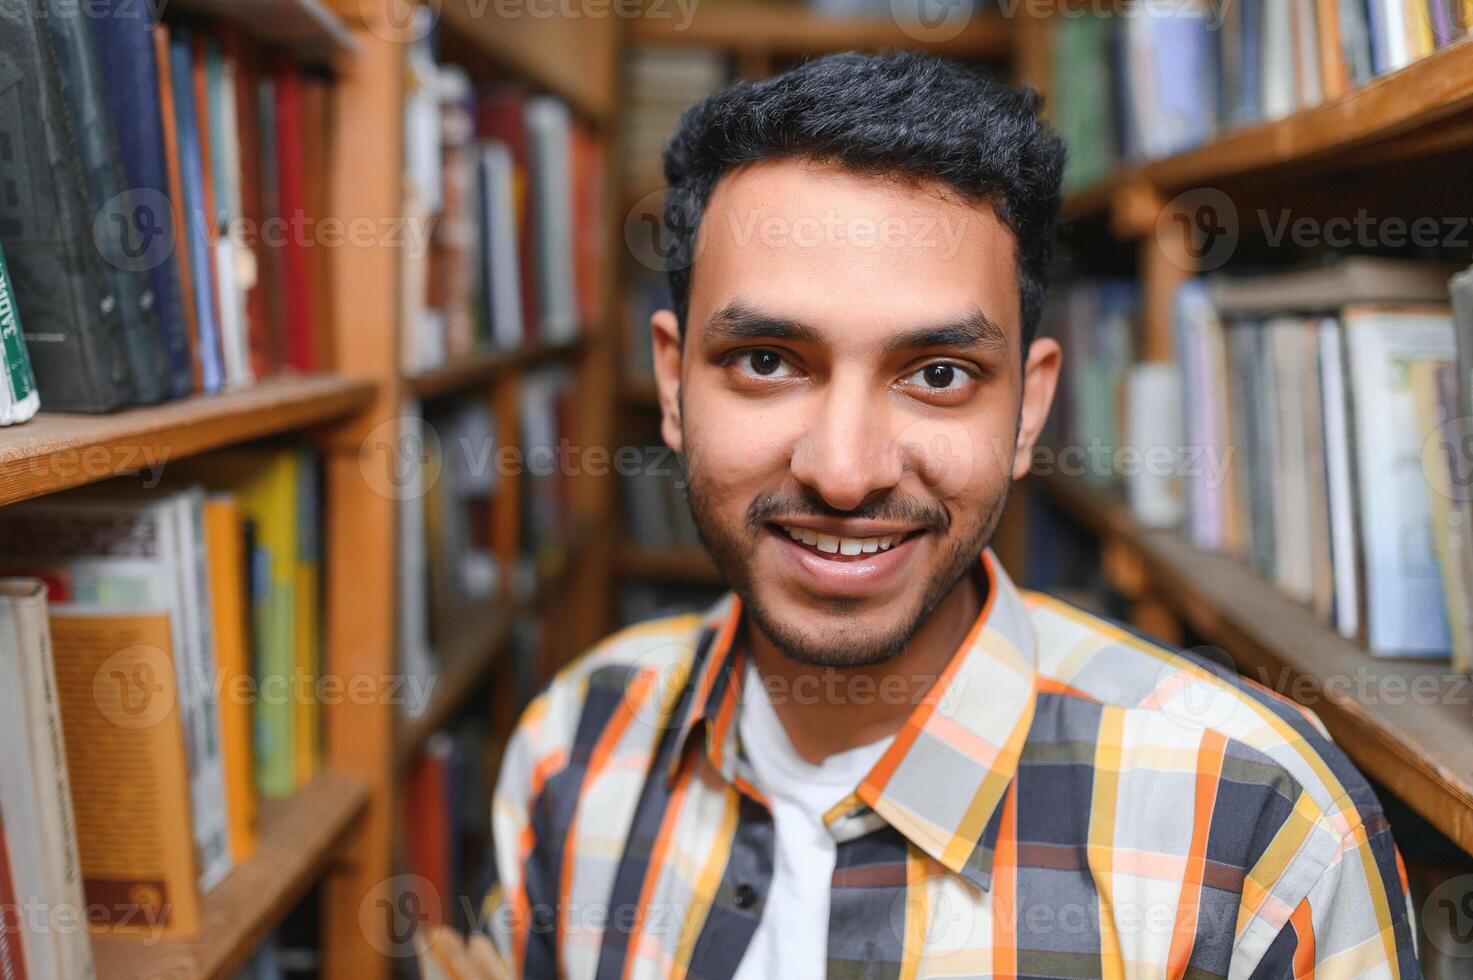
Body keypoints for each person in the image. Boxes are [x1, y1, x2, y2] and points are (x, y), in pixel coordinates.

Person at [466, 52, 1420, 978]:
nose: (843, 473)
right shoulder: (574, 745)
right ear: (672, 386)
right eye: (766, 360)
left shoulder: (1255, 824)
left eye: (936, 375)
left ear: (1027, 410)